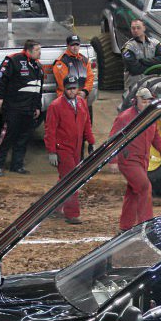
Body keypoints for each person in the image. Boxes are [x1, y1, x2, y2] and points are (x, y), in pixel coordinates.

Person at [110, 88, 161, 231]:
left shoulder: (150, 116)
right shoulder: (125, 117)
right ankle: (146, 224)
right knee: (144, 187)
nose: (146, 104)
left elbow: (155, 135)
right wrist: (113, 161)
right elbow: (113, 138)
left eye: (149, 101)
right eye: (144, 101)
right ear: (136, 101)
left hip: (143, 160)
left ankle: (125, 226)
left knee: (133, 192)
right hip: (129, 160)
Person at [44, 75, 95, 224]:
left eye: (74, 88)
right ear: (64, 89)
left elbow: (87, 124)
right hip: (63, 148)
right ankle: (72, 214)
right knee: (72, 179)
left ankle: (52, 206)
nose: (72, 91)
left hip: (76, 148)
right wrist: (52, 151)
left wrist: (91, 142)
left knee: (65, 179)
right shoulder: (55, 106)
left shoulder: (81, 103)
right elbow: (50, 130)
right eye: (69, 89)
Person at [0, 39, 43, 177]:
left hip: (29, 109)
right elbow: (0, 79)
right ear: (28, 50)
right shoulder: (13, 60)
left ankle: (17, 165)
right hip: (13, 108)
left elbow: (38, 88)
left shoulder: (37, 66)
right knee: (7, 136)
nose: (40, 53)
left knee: (23, 138)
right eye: (37, 50)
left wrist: (37, 107)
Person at [122, 19, 161, 91]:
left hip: (153, 86)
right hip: (134, 88)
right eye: (133, 28)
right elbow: (134, 69)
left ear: (144, 28)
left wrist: (142, 61)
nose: (136, 30)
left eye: (138, 28)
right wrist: (155, 68)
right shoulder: (128, 47)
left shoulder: (156, 43)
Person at [52, 35, 94, 101]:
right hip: (65, 100)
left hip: (82, 100)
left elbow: (90, 78)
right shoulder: (61, 62)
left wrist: (85, 91)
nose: (75, 48)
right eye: (72, 45)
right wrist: (76, 95)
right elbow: (62, 84)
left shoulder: (84, 60)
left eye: (77, 45)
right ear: (68, 46)